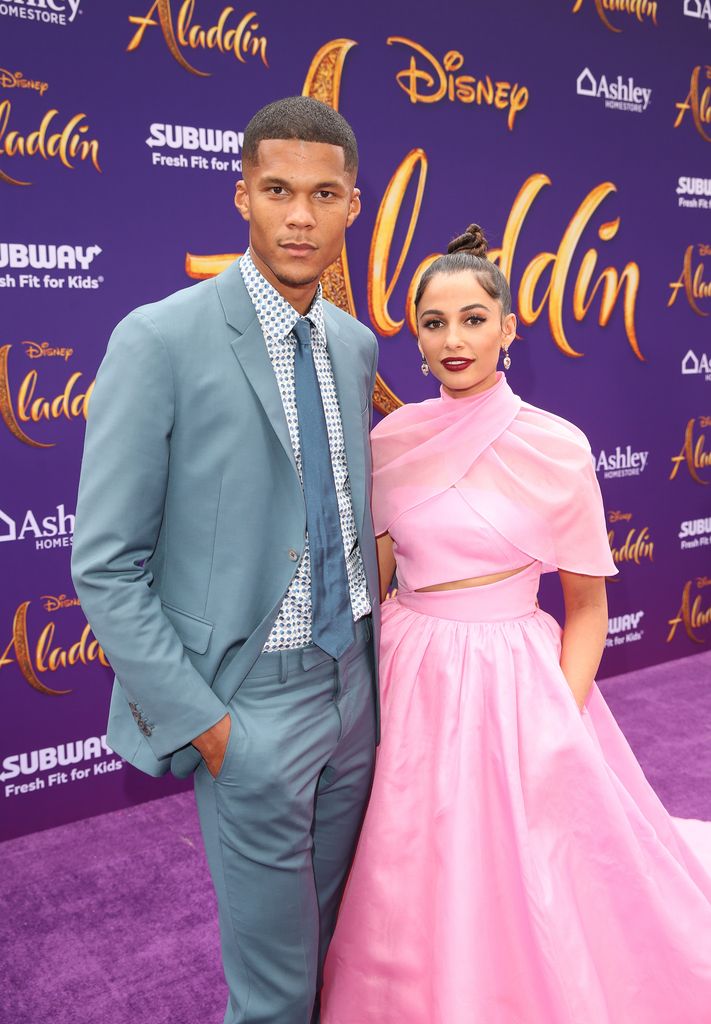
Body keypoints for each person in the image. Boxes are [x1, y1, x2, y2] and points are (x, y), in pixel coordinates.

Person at [321, 225, 711, 1023]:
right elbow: (380, 578)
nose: (453, 339)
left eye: (473, 318)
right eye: (433, 322)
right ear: (415, 336)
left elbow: (586, 608)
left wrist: (552, 720)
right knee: (404, 861)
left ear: (508, 329)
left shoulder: (555, 446)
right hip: (408, 671)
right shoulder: (389, 438)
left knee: (524, 868)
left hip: (514, 682)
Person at [71, 96, 380, 1024]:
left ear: (350, 208)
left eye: (322, 194)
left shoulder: (355, 346)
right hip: (248, 706)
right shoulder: (159, 338)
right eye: (277, 190)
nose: (298, 215)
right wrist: (205, 724)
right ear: (240, 193)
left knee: (337, 949)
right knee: (274, 995)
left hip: (356, 690)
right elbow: (105, 563)